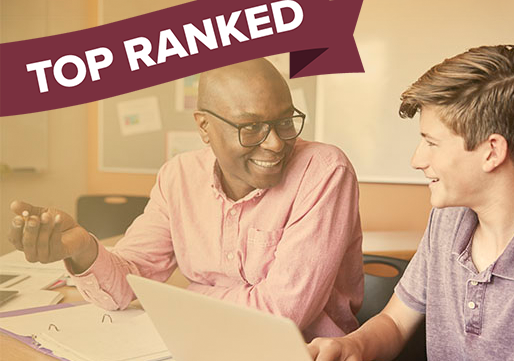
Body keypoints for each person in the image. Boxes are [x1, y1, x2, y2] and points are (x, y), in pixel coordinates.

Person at [9, 58, 364, 341]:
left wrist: (180, 298)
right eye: (251, 126)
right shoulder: (177, 177)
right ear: (204, 127)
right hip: (197, 344)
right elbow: (126, 286)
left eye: (285, 121)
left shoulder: (324, 170)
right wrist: (83, 248)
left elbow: (279, 316)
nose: (274, 143)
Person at [308, 45, 514, 360]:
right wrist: (352, 346)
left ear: (492, 151)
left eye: (432, 142)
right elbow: (394, 321)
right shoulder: (447, 221)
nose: (416, 160)